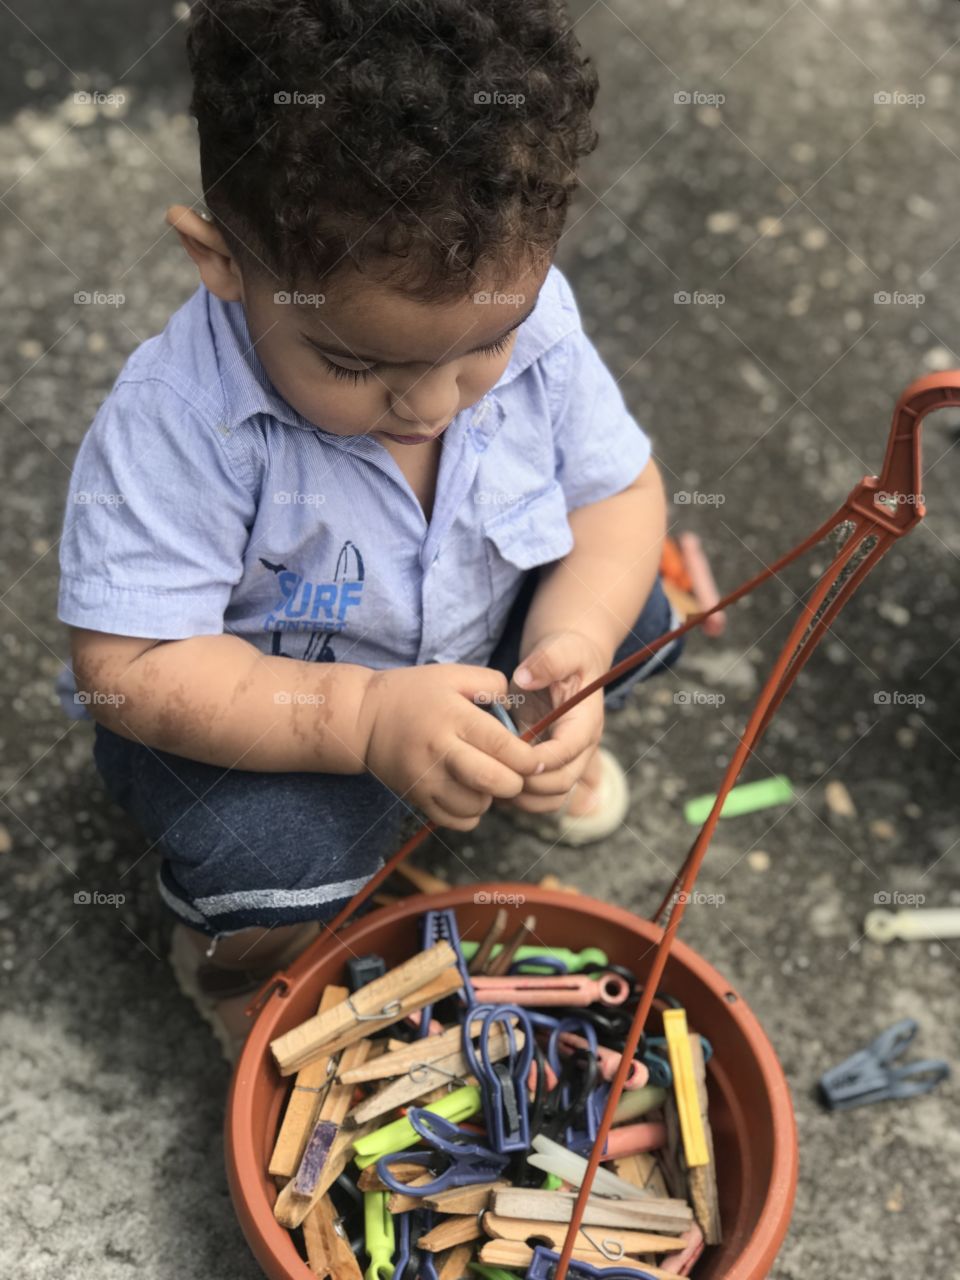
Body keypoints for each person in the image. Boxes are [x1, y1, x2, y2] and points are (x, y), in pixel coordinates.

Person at [56, 0, 681, 1060]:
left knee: (635, 612)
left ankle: (506, 753)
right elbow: (129, 670)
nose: (434, 404)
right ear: (220, 260)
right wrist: (360, 719)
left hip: (468, 648)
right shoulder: (180, 420)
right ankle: (239, 960)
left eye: (485, 345)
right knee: (270, 853)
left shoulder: (527, 312)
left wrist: (566, 648)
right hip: (267, 719)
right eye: (354, 364)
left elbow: (618, 500)